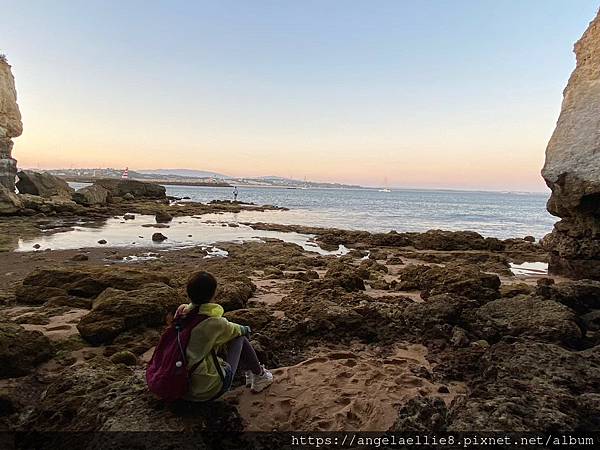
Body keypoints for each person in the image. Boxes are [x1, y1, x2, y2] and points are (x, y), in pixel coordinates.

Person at [175, 271, 273, 401]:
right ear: (213, 294)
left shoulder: (181, 315)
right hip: (202, 391)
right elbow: (243, 330)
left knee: (219, 341)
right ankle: (259, 375)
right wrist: (245, 330)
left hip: (178, 384)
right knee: (239, 337)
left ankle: (250, 372)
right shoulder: (213, 322)